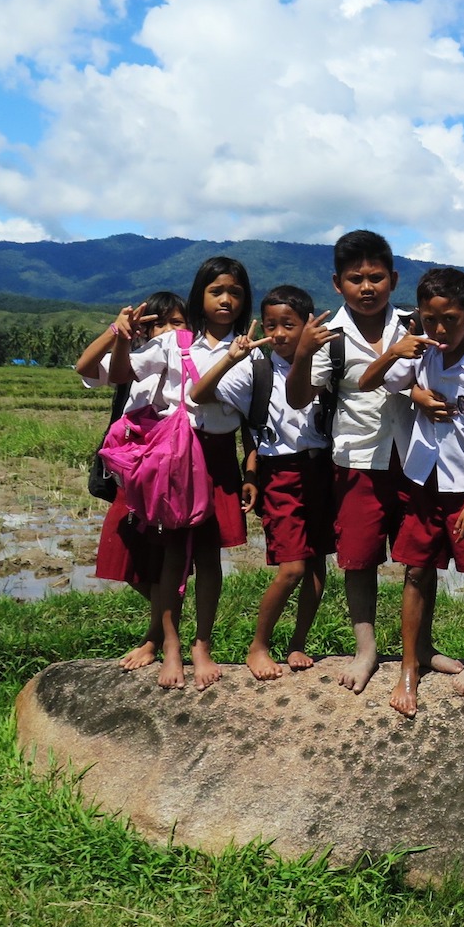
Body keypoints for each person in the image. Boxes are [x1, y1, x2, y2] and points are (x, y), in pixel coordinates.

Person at [284, 230, 459, 695]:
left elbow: (434, 377)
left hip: (417, 456)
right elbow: (300, 398)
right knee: (358, 558)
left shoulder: (416, 323)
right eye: (356, 278)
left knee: (420, 556)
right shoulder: (330, 337)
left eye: (376, 277)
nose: (367, 287)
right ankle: (366, 649)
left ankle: (421, 645)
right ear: (337, 283)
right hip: (357, 458)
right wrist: (302, 353)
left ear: (393, 278)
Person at [359, 267, 464, 721]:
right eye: (430, 320)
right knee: (415, 572)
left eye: (449, 319)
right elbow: (368, 383)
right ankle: (409, 667)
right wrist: (397, 357)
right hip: (424, 481)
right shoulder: (419, 354)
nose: (440, 329)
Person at [110, 256, 255, 691]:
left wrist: (251, 464)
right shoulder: (175, 343)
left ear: (245, 299)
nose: (226, 299)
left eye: (234, 292)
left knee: (211, 558)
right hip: (178, 457)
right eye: (216, 291)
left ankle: (202, 644)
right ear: (200, 297)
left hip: (219, 458)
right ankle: (170, 645)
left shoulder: (252, 351)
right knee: (173, 554)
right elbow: (120, 374)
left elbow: (254, 417)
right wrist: (119, 336)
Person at [191, 284, 332, 680]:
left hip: (321, 468)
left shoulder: (326, 362)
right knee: (292, 568)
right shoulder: (256, 368)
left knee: (318, 564)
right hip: (280, 472)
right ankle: (259, 645)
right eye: (272, 325)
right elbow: (199, 394)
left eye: (290, 324)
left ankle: (298, 642)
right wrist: (233, 357)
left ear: (308, 323)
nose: (280, 333)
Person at [76, 291, 187, 666]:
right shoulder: (134, 359)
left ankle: (155, 639)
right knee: (123, 556)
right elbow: (85, 367)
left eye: (176, 322)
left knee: (165, 558)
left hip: (170, 473)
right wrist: (116, 333)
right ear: (144, 329)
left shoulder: (190, 360)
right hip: (132, 474)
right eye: (158, 323)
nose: (168, 331)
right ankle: (164, 624)